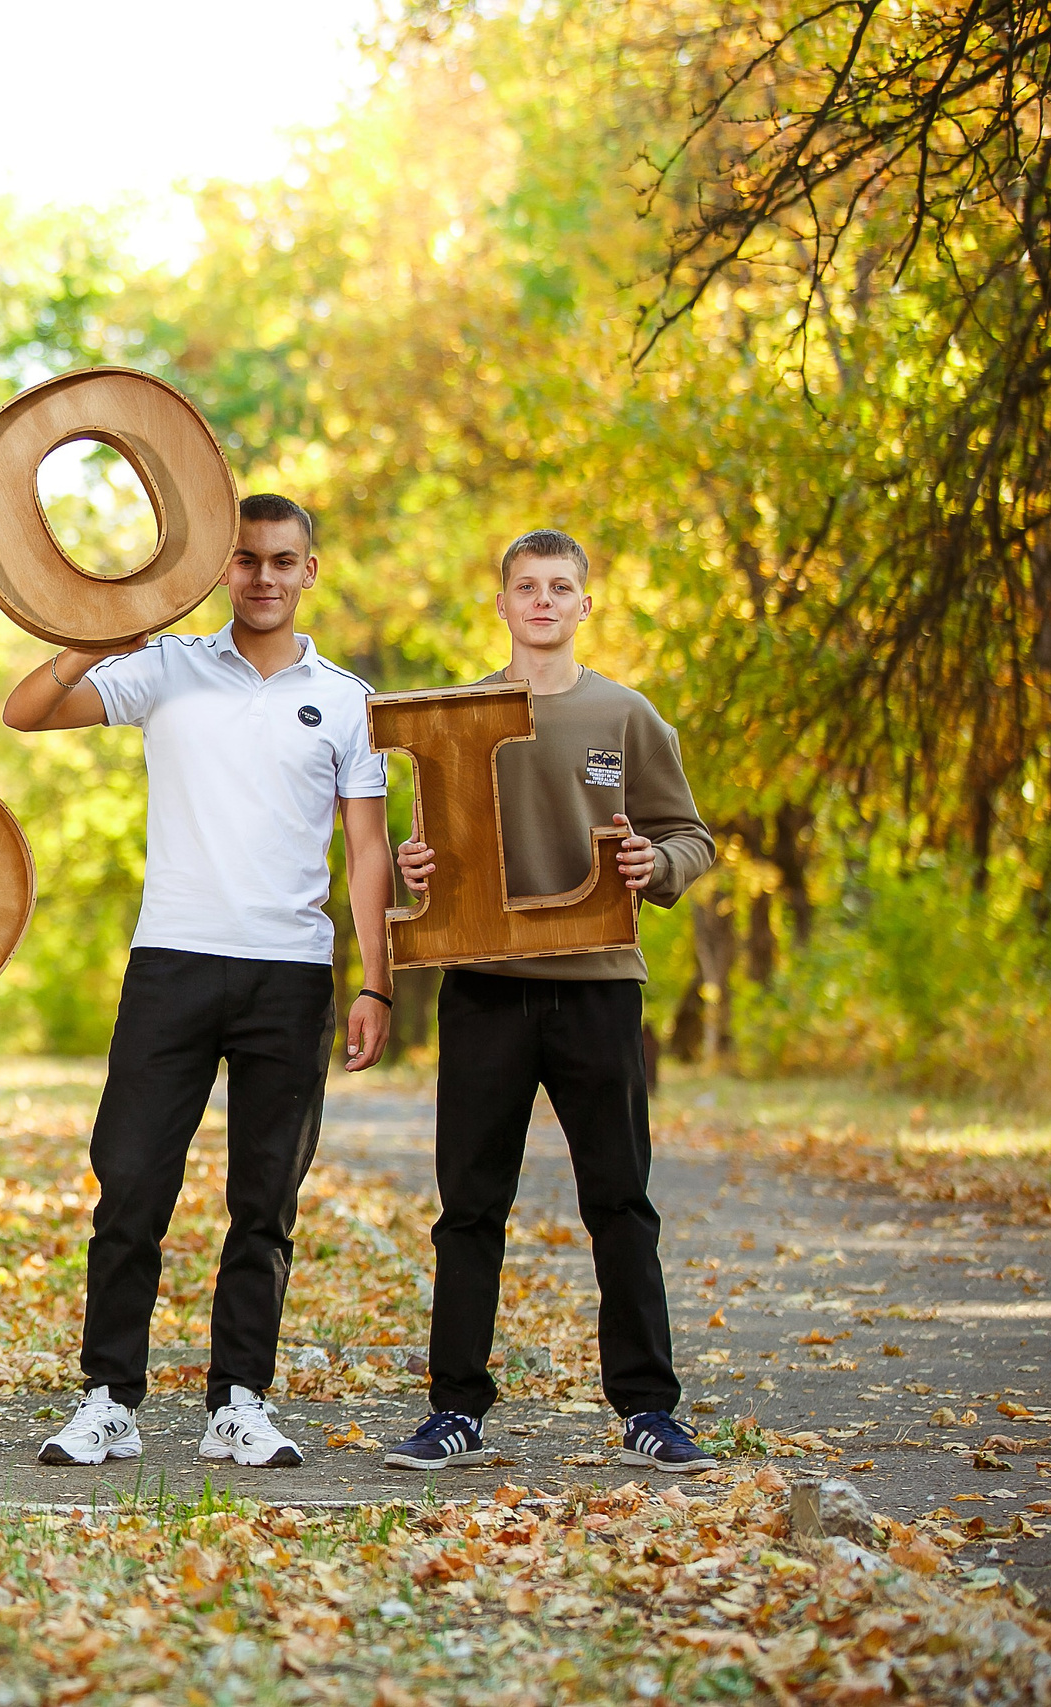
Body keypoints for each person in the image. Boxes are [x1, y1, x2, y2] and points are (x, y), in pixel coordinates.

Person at [4, 493, 396, 1470]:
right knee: (130, 1184)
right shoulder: (166, 668)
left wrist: (376, 984)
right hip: (171, 960)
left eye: (281, 560)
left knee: (265, 1202)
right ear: (220, 570)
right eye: (245, 560)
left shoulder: (346, 700)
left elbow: (367, 849)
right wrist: (105, 634)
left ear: (310, 571)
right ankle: (107, 1400)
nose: (262, 576)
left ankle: (239, 1404)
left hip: (291, 972)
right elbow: (25, 711)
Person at [381, 529, 720, 1475]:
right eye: (525, 585)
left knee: (621, 1202)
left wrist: (660, 864)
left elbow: (689, 834)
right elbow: (431, 859)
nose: (541, 599)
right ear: (502, 603)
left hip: (599, 993)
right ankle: (456, 1410)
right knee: (469, 1209)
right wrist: (418, 869)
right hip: (485, 992)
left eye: (559, 586)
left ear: (583, 604)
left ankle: (649, 1409)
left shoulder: (626, 716)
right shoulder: (456, 718)